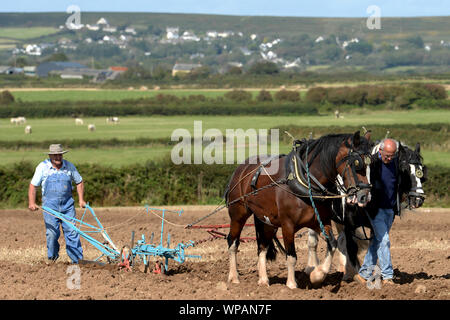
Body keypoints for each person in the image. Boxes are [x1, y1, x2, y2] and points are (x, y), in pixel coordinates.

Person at [28, 144, 86, 264]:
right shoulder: (43, 167)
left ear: (62, 155)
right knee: (52, 234)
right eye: (55, 155)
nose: (57, 157)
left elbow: (79, 182)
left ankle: (77, 261)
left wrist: (81, 200)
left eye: (59, 155)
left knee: (72, 232)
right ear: (50, 156)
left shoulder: (69, 166)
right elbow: (33, 185)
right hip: (50, 207)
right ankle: (52, 258)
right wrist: (32, 203)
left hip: (67, 206)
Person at [355, 138, 399, 286]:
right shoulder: (371, 163)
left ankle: (363, 274)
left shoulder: (396, 162)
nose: (389, 158)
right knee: (384, 241)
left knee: (377, 242)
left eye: (392, 155)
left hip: (390, 210)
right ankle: (387, 275)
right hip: (376, 210)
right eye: (387, 155)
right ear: (380, 151)